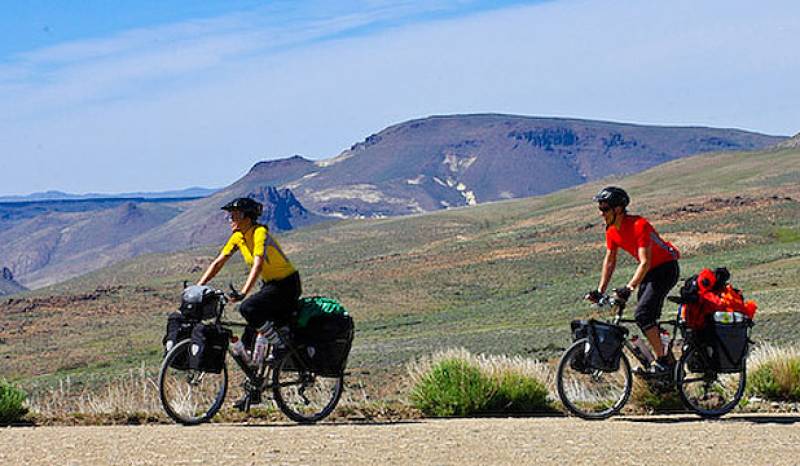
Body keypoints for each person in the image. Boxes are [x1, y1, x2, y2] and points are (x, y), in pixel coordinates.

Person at [197, 197, 301, 405]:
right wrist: (198, 287)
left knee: (248, 307)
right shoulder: (238, 236)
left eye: (234, 215)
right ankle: (253, 392)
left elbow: (258, 263)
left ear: (246, 216)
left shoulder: (259, 232)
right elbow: (219, 262)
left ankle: (280, 346)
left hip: (286, 285)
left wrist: (244, 292)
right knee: (247, 343)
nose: (230, 219)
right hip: (270, 285)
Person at [587, 186, 680, 375]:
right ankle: (667, 358)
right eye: (600, 209)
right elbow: (610, 260)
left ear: (618, 209)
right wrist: (600, 291)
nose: (601, 213)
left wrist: (629, 287)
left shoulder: (639, 225)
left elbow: (645, 262)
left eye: (604, 209)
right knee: (645, 316)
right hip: (649, 272)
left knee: (643, 314)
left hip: (665, 268)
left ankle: (663, 361)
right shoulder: (611, 230)